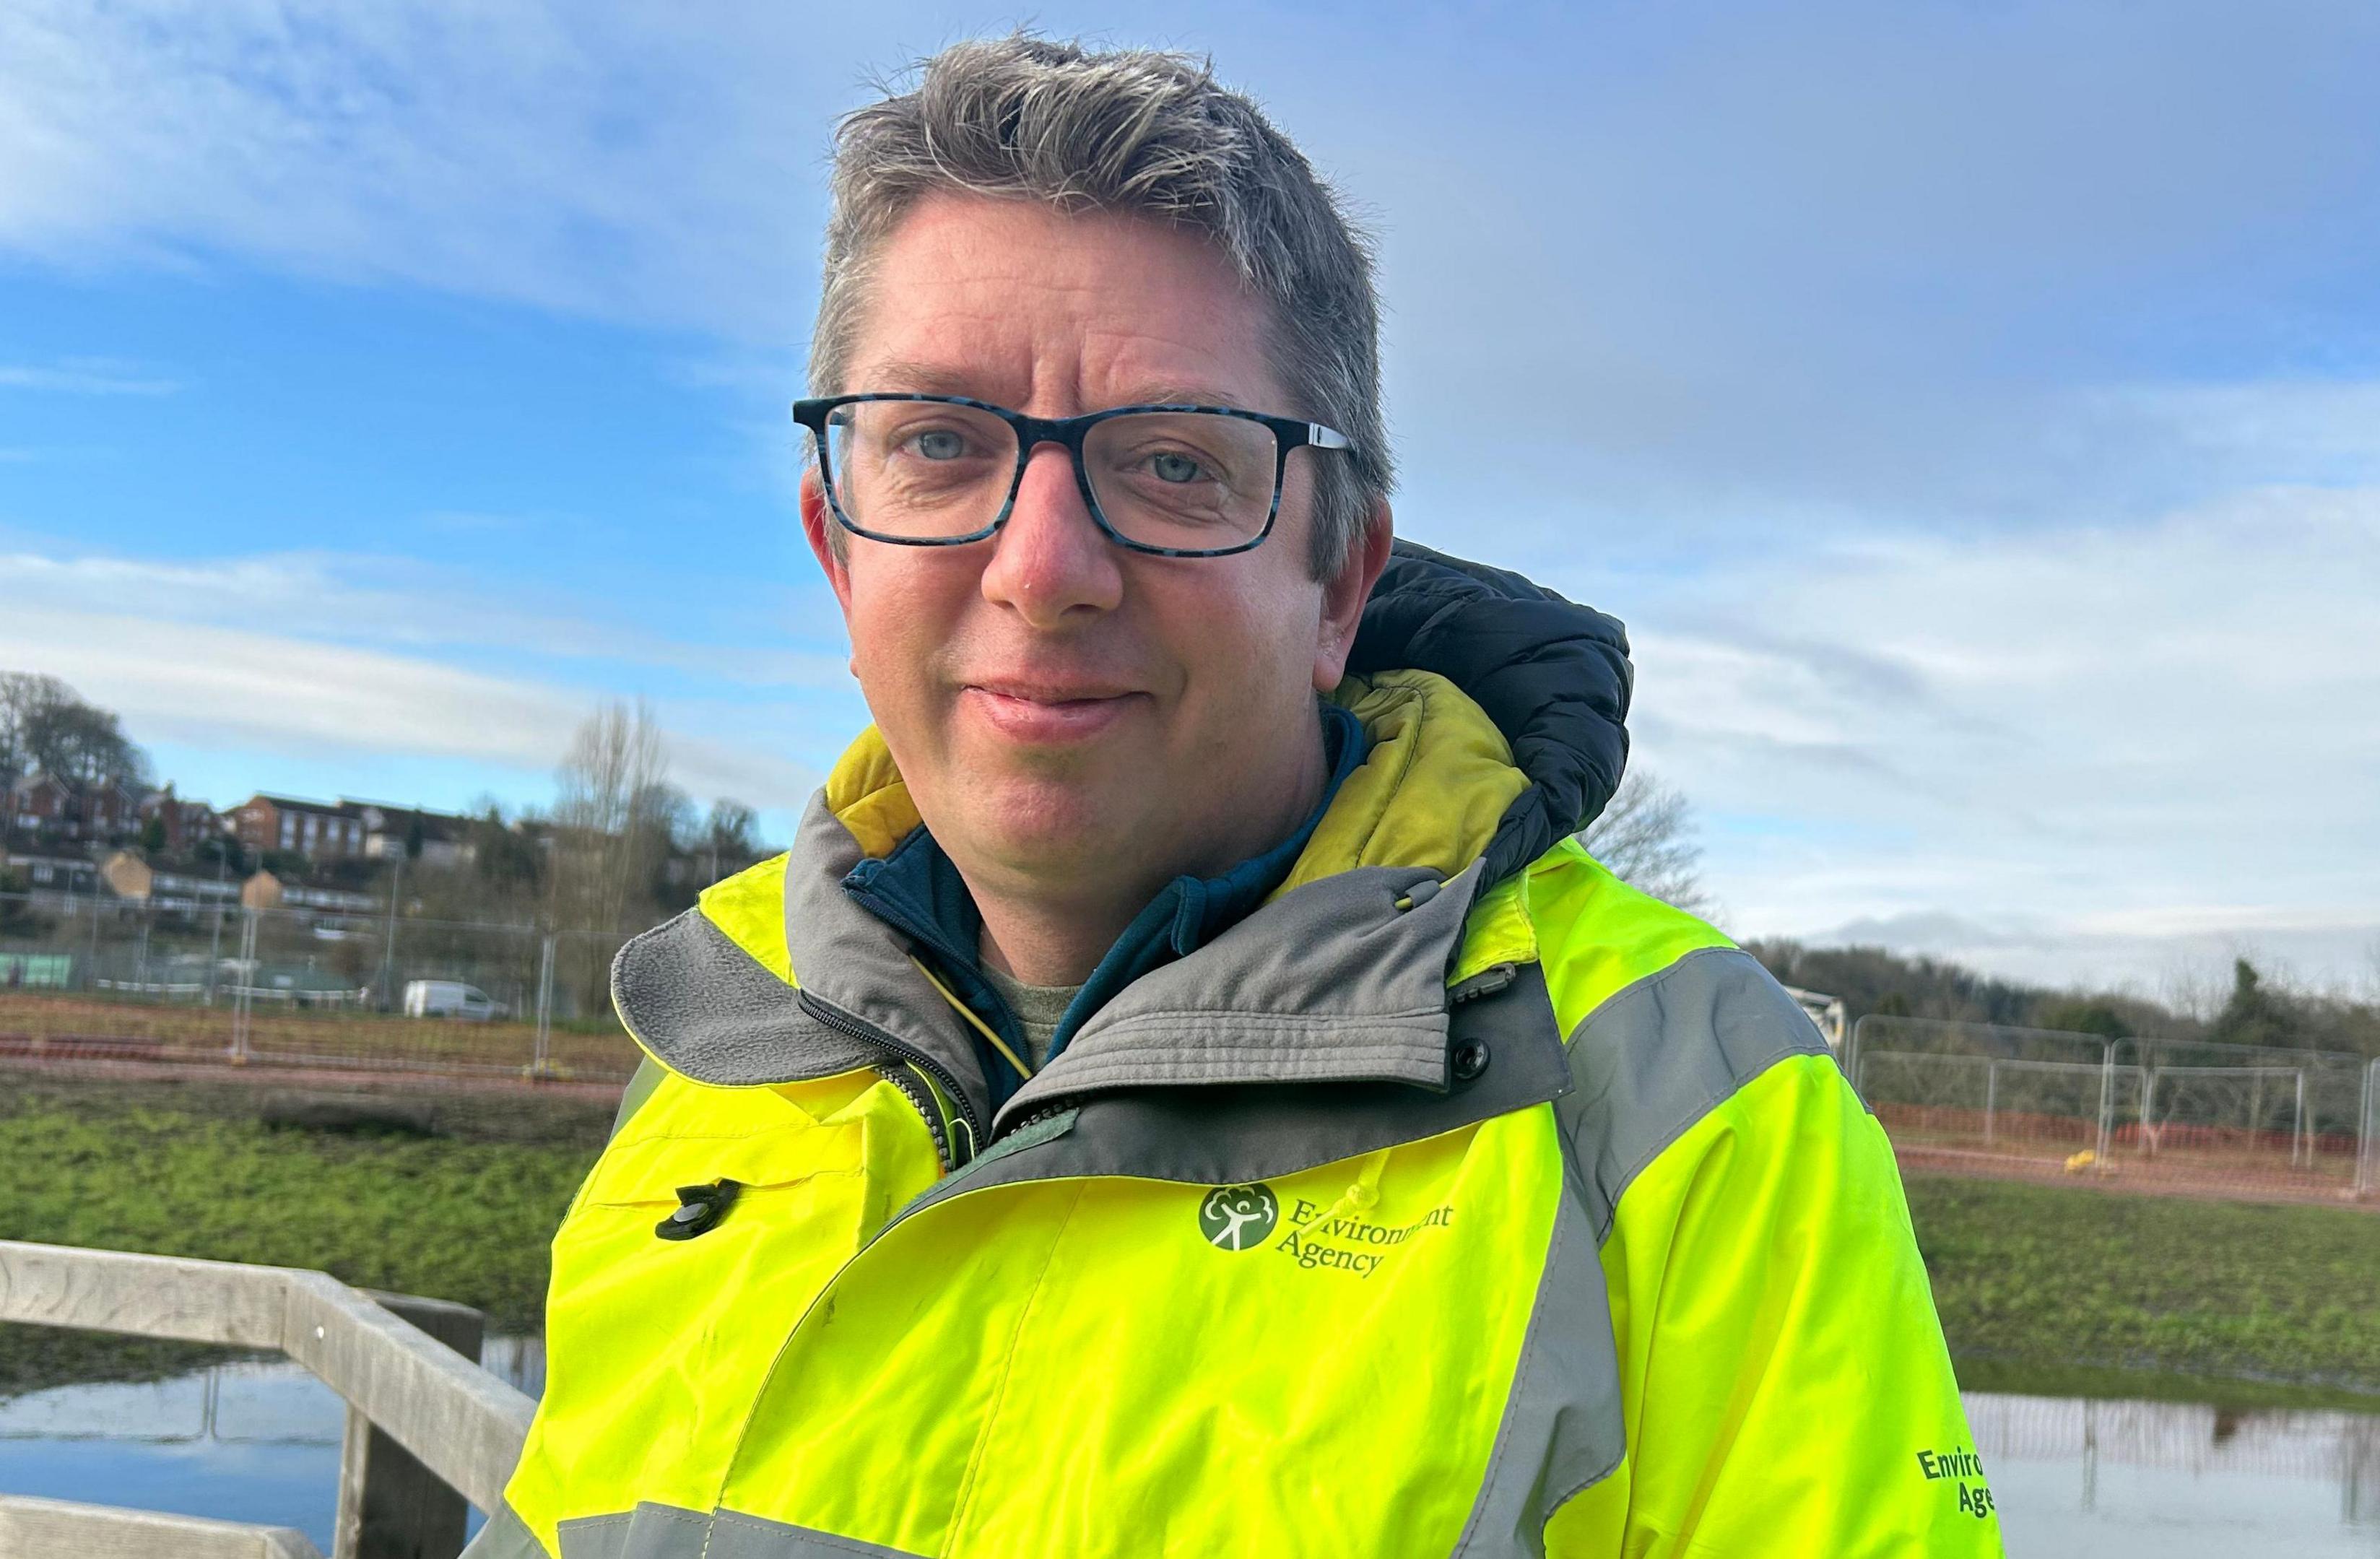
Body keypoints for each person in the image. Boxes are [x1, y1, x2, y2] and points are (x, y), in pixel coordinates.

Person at [470, 35, 2000, 1559]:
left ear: (1339, 580)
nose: (1044, 569)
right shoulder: (714, 1065)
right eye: (940, 445)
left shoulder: (1689, 1117)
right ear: (836, 548)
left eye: (1174, 465)